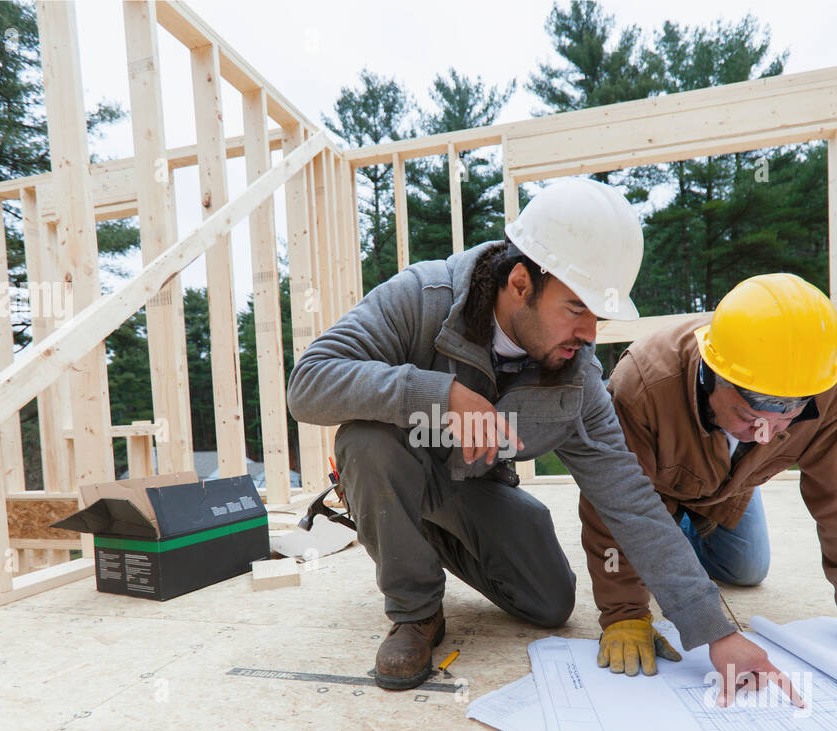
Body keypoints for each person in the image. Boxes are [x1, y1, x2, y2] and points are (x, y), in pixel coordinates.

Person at [286, 178, 798, 699]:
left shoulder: (578, 380)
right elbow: (308, 384)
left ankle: (406, 531)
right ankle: (416, 611)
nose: (589, 334)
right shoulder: (422, 298)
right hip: (396, 464)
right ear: (520, 283)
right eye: (577, 309)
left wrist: (714, 630)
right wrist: (440, 394)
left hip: (473, 486)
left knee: (549, 602)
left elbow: (632, 503)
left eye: (598, 317)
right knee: (365, 441)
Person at [579, 273, 837, 687]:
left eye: (786, 419)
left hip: (732, 484)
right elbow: (615, 502)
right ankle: (669, 530)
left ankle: (679, 538)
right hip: (654, 488)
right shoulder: (644, 383)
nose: (766, 434)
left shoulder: (832, 390)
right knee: (647, 536)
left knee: (746, 570)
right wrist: (625, 612)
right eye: (749, 416)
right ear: (714, 375)